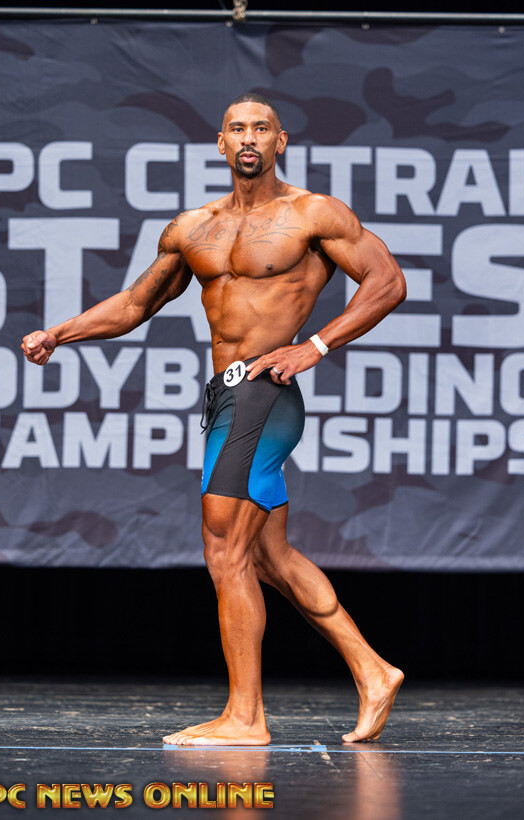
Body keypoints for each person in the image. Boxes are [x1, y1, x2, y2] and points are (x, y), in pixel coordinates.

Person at [22, 92, 406, 746]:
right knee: (269, 556)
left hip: (263, 394)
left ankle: (245, 719)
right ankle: (373, 671)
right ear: (221, 143)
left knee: (224, 550)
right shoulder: (192, 227)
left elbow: (387, 281)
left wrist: (315, 346)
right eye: (237, 128)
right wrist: (60, 333)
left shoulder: (313, 214)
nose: (249, 137)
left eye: (261, 127)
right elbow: (135, 304)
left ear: (280, 141)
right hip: (225, 397)